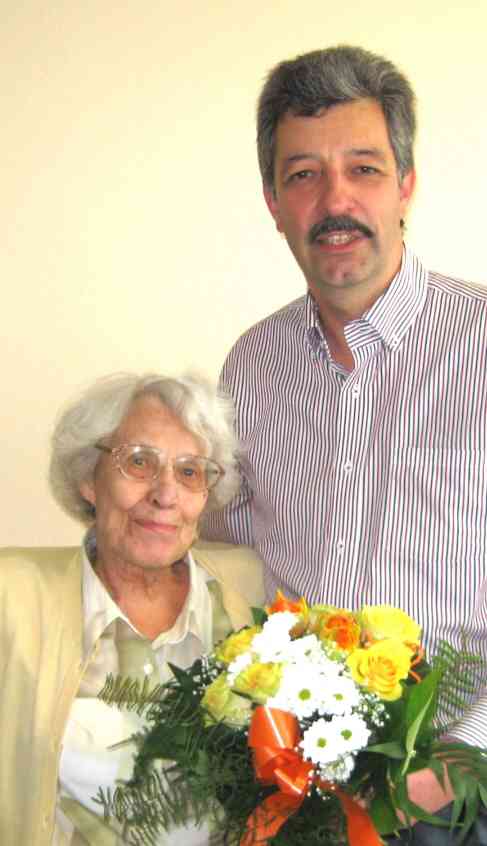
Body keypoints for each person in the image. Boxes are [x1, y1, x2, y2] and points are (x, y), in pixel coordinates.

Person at [203, 46, 487, 842]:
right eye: (303, 175)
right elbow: (218, 526)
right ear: (273, 203)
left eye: (363, 168)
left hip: (466, 782)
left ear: (405, 185)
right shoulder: (251, 367)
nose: (334, 200)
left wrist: (452, 764)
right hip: (300, 778)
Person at [0, 373, 264, 846]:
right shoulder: (14, 598)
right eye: (139, 462)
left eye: (190, 472)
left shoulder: (249, 591)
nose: (165, 495)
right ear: (89, 478)